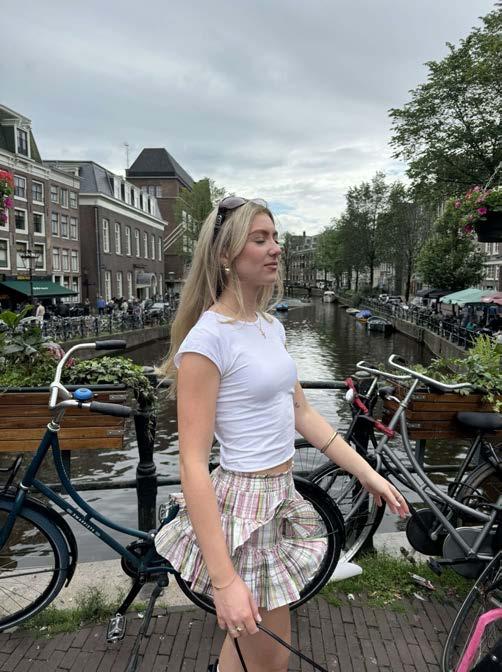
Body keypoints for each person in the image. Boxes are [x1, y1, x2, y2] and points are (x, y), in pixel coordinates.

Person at [155, 197, 409, 672]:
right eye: (260, 239)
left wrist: (367, 473)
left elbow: (303, 414)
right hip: (244, 507)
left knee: (262, 652)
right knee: (266, 656)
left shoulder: (270, 327)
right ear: (225, 255)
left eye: (275, 237)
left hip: (281, 495)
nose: (276, 248)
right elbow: (191, 463)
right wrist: (223, 579)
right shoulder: (208, 341)